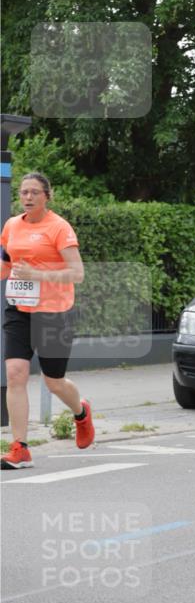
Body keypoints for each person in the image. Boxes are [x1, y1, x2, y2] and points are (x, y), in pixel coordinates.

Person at [1, 172, 95, 469]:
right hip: (20, 309)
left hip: (54, 312)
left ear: (46, 196)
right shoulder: (11, 226)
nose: (28, 197)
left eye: (34, 192)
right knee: (15, 374)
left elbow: (77, 273)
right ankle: (20, 448)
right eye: (23, 192)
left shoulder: (59, 228)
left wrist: (37, 275)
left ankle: (81, 412)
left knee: (54, 382)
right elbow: (6, 263)